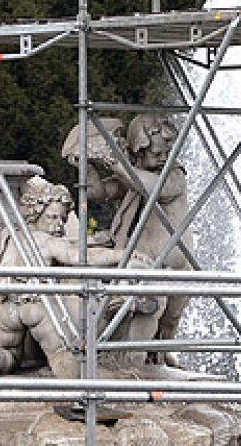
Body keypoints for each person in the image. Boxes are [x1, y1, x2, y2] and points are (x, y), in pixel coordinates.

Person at [0, 177, 152, 377]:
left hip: (4, 308)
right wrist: (123, 254)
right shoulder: (47, 242)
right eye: (52, 217)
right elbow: (81, 257)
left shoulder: (4, 239)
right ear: (36, 214)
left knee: (11, 353)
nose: (59, 225)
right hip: (35, 306)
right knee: (61, 354)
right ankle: (77, 388)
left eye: (63, 219)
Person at [74, 114, 193, 362]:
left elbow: (152, 189)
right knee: (142, 311)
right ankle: (131, 362)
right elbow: (97, 192)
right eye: (156, 153)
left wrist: (113, 161)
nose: (163, 158)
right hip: (144, 263)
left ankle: (154, 360)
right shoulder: (134, 175)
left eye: (165, 152)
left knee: (167, 324)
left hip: (175, 266)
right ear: (139, 151)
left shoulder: (173, 175)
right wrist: (85, 165)